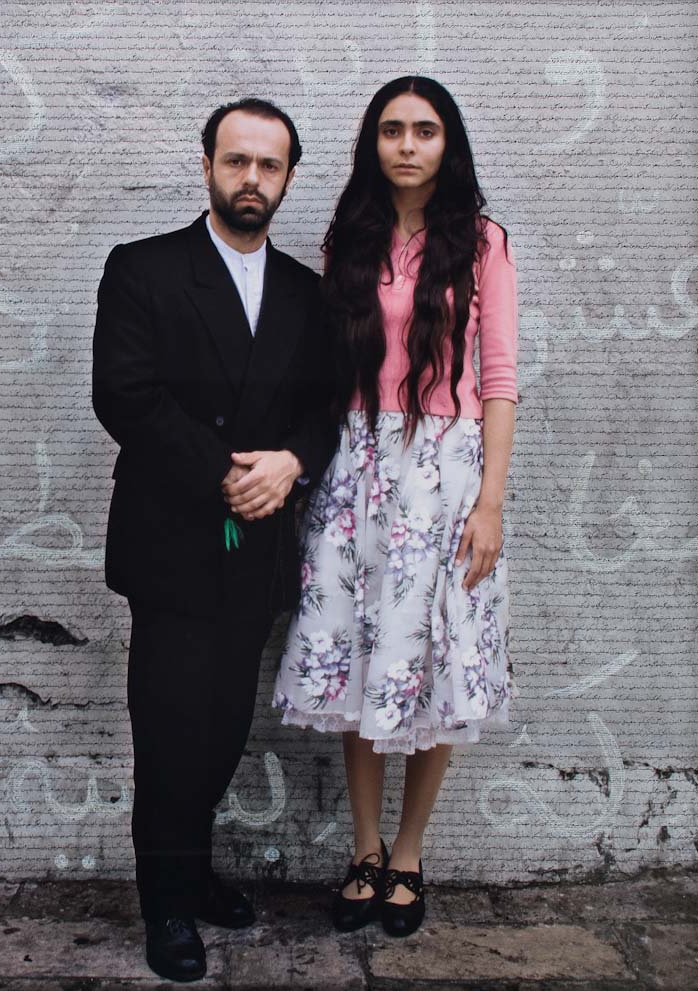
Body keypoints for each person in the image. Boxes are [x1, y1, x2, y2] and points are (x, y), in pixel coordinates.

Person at [92, 98, 336, 982]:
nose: (251, 179)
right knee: (168, 733)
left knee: (226, 726)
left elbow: (326, 405)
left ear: (288, 178)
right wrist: (226, 475)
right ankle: (166, 905)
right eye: (237, 160)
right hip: (172, 543)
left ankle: (192, 876)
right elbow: (124, 394)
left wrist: (293, 462)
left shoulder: (308, 294)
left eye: (269, 165)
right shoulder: (143, 269)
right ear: (207, 166)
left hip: (257, 549)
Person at [272, 76, 518, 938]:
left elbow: (499, 379)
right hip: (353, 468)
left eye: (424, 129)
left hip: (444, 475)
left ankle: (409, 853)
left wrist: (490, 503)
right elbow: (324, 365)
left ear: (448, 143)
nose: (407, 145)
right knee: (356, 653)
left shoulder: (482, 242)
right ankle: (365, 850)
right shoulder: (351, 236)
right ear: (372, 144)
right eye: (391, 130)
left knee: (434, 660)